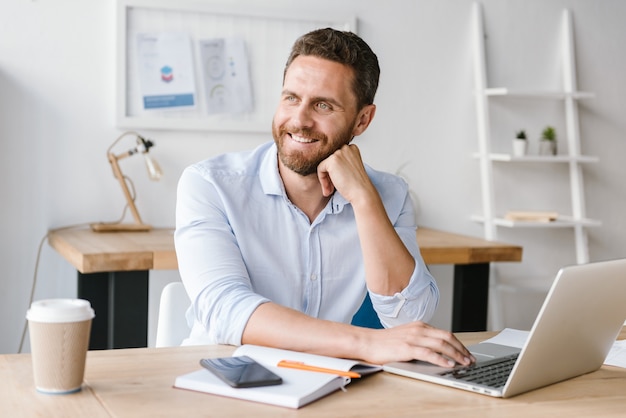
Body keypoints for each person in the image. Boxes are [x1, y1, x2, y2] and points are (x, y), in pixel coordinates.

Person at [175, 28, 474, 367]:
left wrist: (364, 199)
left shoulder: (389, 194)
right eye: (291, 98)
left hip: (322, 384)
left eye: (322, 105)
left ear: (362, 119)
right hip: (222, 380)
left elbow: (408, 316)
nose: (299, 120)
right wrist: (365, 343)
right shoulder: (210, 185)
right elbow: (225, 308)